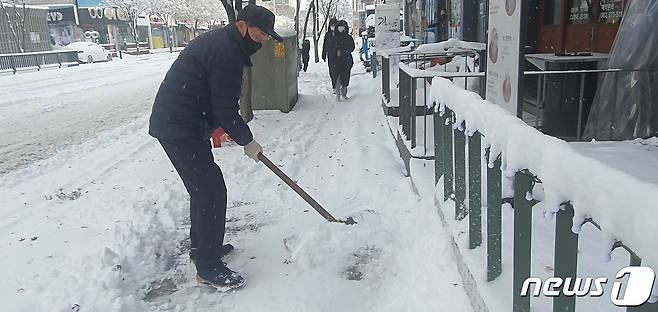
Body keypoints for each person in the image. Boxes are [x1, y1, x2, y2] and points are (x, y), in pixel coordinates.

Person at [148, 4, 282, 291]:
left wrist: (242, 138)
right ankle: (207, 266)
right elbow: (225, 108)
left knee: (203, 189)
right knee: (210, 190)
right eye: (261, 33)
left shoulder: (225, 45)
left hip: (184, 124)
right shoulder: (227, 52)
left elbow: (218, 102)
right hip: (178, 127)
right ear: (243, 25)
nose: (264, 40)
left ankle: (203, 249)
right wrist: (248, 141)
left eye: (268, 36)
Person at [332, 20, 355, 100]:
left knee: (345, 78)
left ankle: (344, 94)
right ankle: (338, 94)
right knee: (337, 78)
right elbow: (330, 48)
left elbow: (352, 47)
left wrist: (344, 51)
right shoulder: (334, 37)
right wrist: (336, 51)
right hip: (336, 61)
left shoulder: (348, 37)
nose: (341, 28)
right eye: (340, 26)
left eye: (343, 26)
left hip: (346, 60)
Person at [322, 18, 338, 91]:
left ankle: (339, 84)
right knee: (332, 70)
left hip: (339, 55)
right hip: (330, 55)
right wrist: (324, 54)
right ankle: (334, 85)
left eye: (334, 25)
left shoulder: (339, 33)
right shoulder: (328, 34)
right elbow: (325, 45)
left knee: (338, 70)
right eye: (332, 25)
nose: (333, 26)